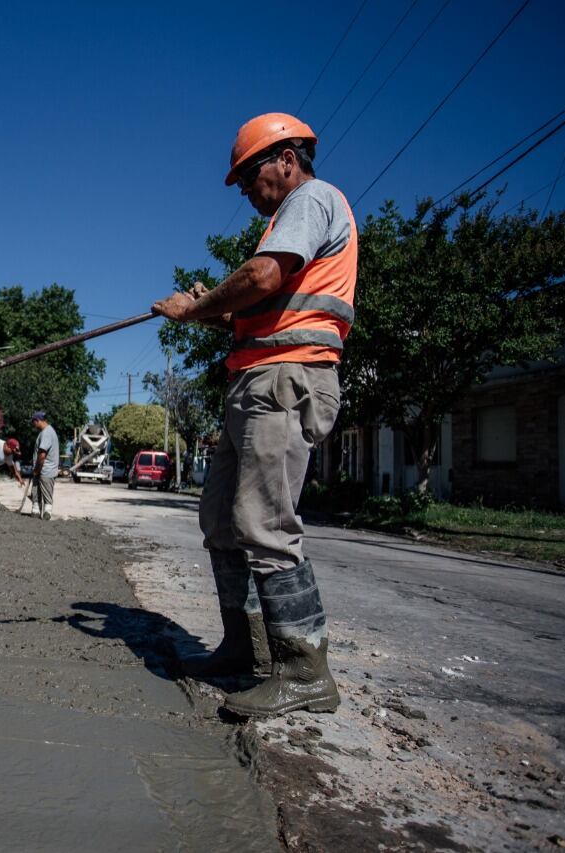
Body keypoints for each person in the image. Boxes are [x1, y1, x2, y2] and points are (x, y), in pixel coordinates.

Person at [152, 113, 355, 717]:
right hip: (253, 382)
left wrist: (196, 311)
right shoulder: (287, 219)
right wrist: (202, 309)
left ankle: (303, 671)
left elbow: (262, 276)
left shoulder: (312, 199)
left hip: (286, 382)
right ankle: (243, 647)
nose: (245, 190)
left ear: (287, 159)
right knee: (220, 519)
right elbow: (259, 303)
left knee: (265, 524)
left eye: (248, 176)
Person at [29, 410, 59, 520]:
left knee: (47, 497)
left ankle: (46, 516)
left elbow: (42, 455)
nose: (33, 425)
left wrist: (36, 469)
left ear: (37, 420)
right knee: (36, 494)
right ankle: (35, 513)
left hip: (45, 471)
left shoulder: (46, 433)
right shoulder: (46, 432)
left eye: (33, 422)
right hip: (43, 470)